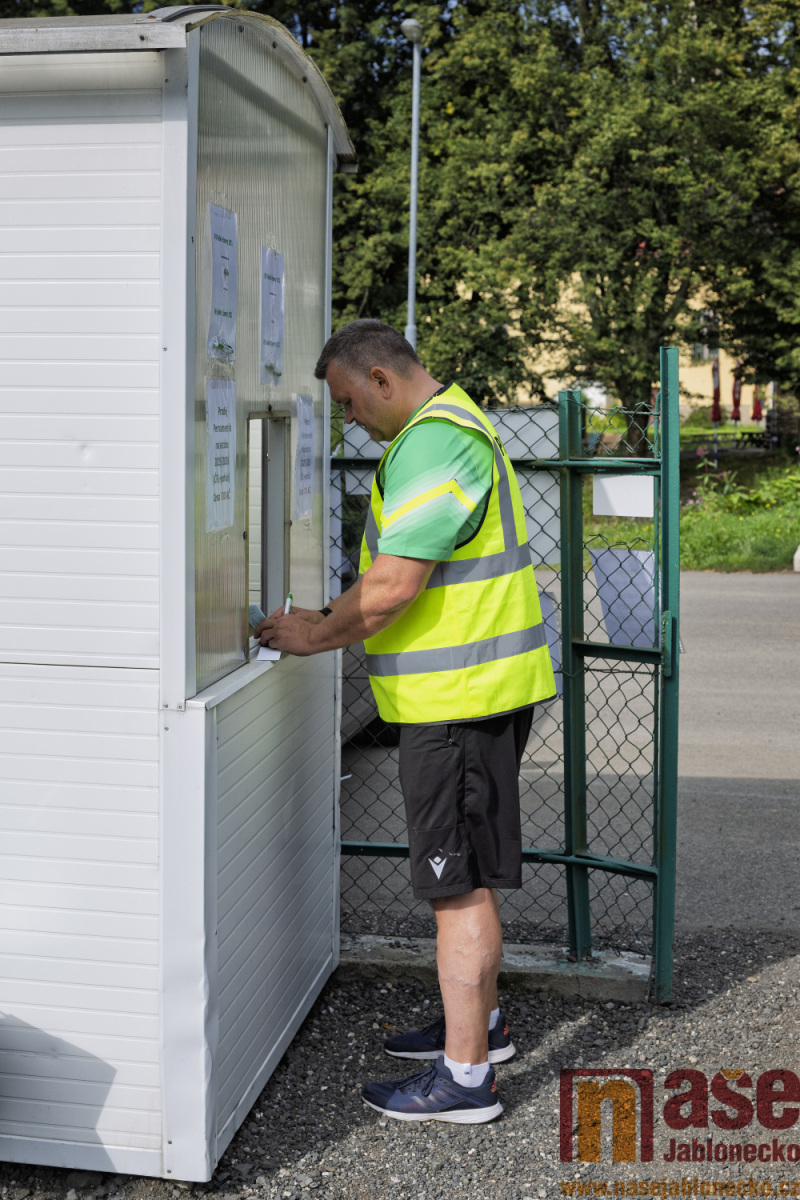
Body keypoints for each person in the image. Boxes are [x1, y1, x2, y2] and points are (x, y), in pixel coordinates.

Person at [256, 319, 556, 1123]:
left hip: (457, 703)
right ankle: (480, 1028)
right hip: (472, 694)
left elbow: (393, 587)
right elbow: (399, 573)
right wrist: (326, 615)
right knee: (465, 879)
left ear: (382, 379)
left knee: (455, 890)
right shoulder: (453, 424)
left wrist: (314, 636)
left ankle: (465, 1081)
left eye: (351, 403)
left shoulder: (432, 443)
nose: (351, 421)